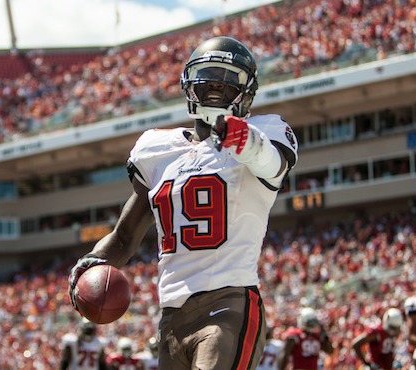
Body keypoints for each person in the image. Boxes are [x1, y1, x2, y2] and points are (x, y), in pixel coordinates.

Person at [69, 36, 298, 370]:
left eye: (229, 79)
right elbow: (123, 237)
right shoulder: (158, 151)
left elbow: (272, 163)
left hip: (228, 302)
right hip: (172, 316)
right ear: (190, 84)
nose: (217, 86)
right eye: (209, 77)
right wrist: (88, 264)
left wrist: (243, 140)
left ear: (247, 91)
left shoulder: (262, 133)